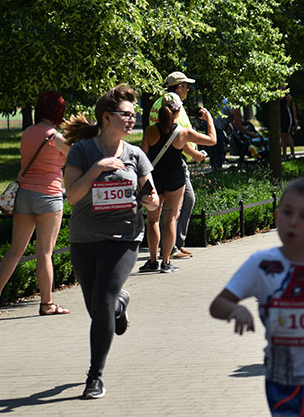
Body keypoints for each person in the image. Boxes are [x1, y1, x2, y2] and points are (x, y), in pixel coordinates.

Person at [209, 178, 304, 416]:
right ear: (277, 216)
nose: (294, 222)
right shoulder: (261, 264)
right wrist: (235, 310)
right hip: (282, 381)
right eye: (287, 212)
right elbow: (218, 304)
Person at [62, 84, 161, 399]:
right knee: (98, 309)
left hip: (124, 237)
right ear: (107, 117)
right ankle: (120, 305)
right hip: (85, 237)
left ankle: (95, 376)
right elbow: (73, 196)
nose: (132, 121)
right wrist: (97, 169)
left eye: (134, 116)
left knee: (101, 302)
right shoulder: (83, 152)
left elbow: (154, 198)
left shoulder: (136, 155)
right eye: (126, 115)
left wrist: (149, 201)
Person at [0, 91, 71, 316]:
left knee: (15, 249)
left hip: (24, 195)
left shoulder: (27, 134)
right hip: (49, 196)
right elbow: (76, 158)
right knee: (45, 251)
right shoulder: (56, 137)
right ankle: (47, 304)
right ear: (58, 112)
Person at [140, 93, 216, 273]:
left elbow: (142, 157)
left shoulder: (150, 131)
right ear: (177, 113)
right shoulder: (183, 133)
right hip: (175, 178)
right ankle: (166, 262)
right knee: (171, 219)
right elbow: (212, 140)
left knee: (153, 221)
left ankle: (152, 261)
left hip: (155, 179)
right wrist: (209, 119)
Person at [149, 72, 207, 260]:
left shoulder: (159, 103)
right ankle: (171, 248)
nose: (188, 89)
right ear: (179, 87)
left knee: (159, 215)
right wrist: (196, 155)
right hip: (175, 162)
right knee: (178, 207)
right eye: (186, 85)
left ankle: (166, 250)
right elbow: (178, 136)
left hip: (159, 162)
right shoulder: (175, 105)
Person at [279, 91, 299, 160]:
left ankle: (292, 153)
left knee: (287, 135)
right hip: (281, 117)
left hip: (287, 117)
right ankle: (284, 154)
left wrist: (295, 118)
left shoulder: (287, 96)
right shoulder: (277, 95)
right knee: (282, 136)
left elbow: (293, 107)